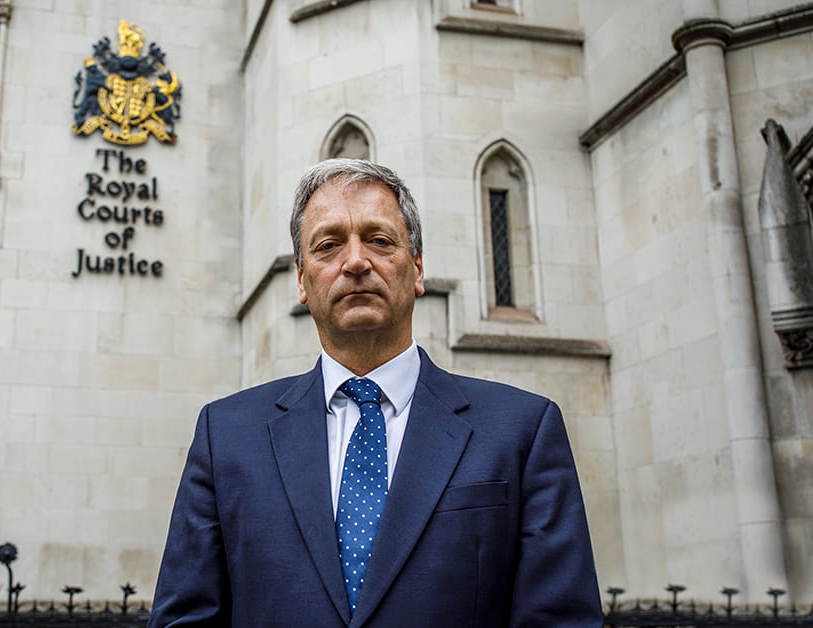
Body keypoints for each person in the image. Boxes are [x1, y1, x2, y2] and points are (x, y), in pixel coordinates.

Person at [148, 159, 603, 627]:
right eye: (328, 246)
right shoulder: (226, 435)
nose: (356, 262)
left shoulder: (522, 431)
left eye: (380, 241)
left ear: (418, 268)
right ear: (302, 281)